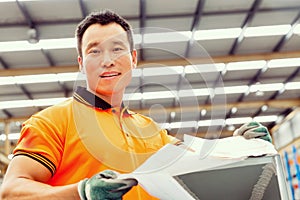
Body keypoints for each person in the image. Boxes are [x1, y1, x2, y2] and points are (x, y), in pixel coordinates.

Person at [0, 10, 272, 200]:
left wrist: (241, 145)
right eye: (94, 51)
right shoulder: (51, 122)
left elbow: (197, 157)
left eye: (117, 49)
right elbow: (11, 191)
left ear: (133, 59)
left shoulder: (149, 128)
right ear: (82, 64)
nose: (107, 60)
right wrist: (81, 192)